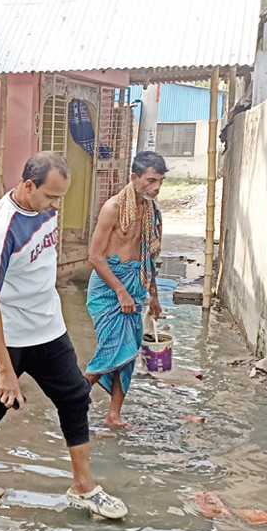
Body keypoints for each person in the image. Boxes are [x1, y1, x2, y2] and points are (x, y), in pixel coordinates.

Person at [0, 151, 127, 520]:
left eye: (61, 198)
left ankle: (83, 487)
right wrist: (6, 371)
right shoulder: (0, 231)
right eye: (51, 197)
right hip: (7, 334)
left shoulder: (46, 209)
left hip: (48, 328)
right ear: (28, 186)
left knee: (74, 398)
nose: (56, 206)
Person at [84, 151, 166, 428]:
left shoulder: (152, 211)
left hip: (137, 285)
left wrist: (153, 295)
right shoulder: (113, 207)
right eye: (151, 180)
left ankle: (113, 415)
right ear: (135, 178)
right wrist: (120, 291)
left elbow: (149, 257)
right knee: (111, 348)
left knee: (128, 354)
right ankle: (73, 401)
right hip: (109, 287)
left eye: (161, 181)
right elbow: (95, 256)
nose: (156, 187)